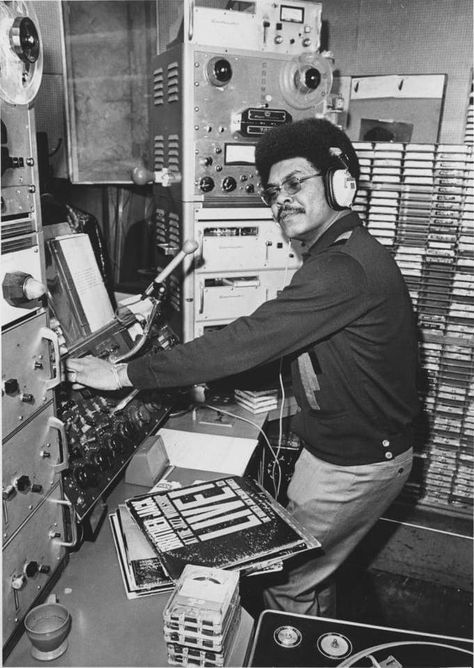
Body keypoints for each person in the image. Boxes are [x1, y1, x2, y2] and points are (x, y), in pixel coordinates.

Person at [66, 118, 420, 617]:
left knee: (287, 580)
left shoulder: (342, 268)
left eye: (296, 183)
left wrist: (123, 374)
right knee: (312, 576)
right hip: (351, 455)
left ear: (342, 183)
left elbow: (247, 339)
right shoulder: (341, 256)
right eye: (273, 192)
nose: (281, 201)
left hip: (353, 467)